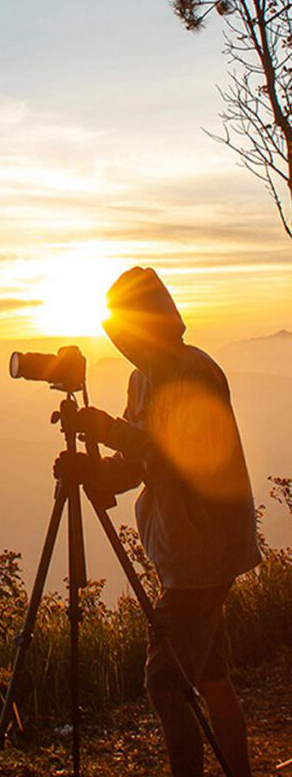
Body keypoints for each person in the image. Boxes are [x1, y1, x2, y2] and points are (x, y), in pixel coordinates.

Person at [71, 267, 261, 777]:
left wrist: (108, 431)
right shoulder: (143, 377)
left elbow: (180, 456)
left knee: (165, 682)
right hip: (183, 547)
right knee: (211, 675)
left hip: (205, 549)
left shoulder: (192, 372)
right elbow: (142, 463)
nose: (123, 341)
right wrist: (98, 472)